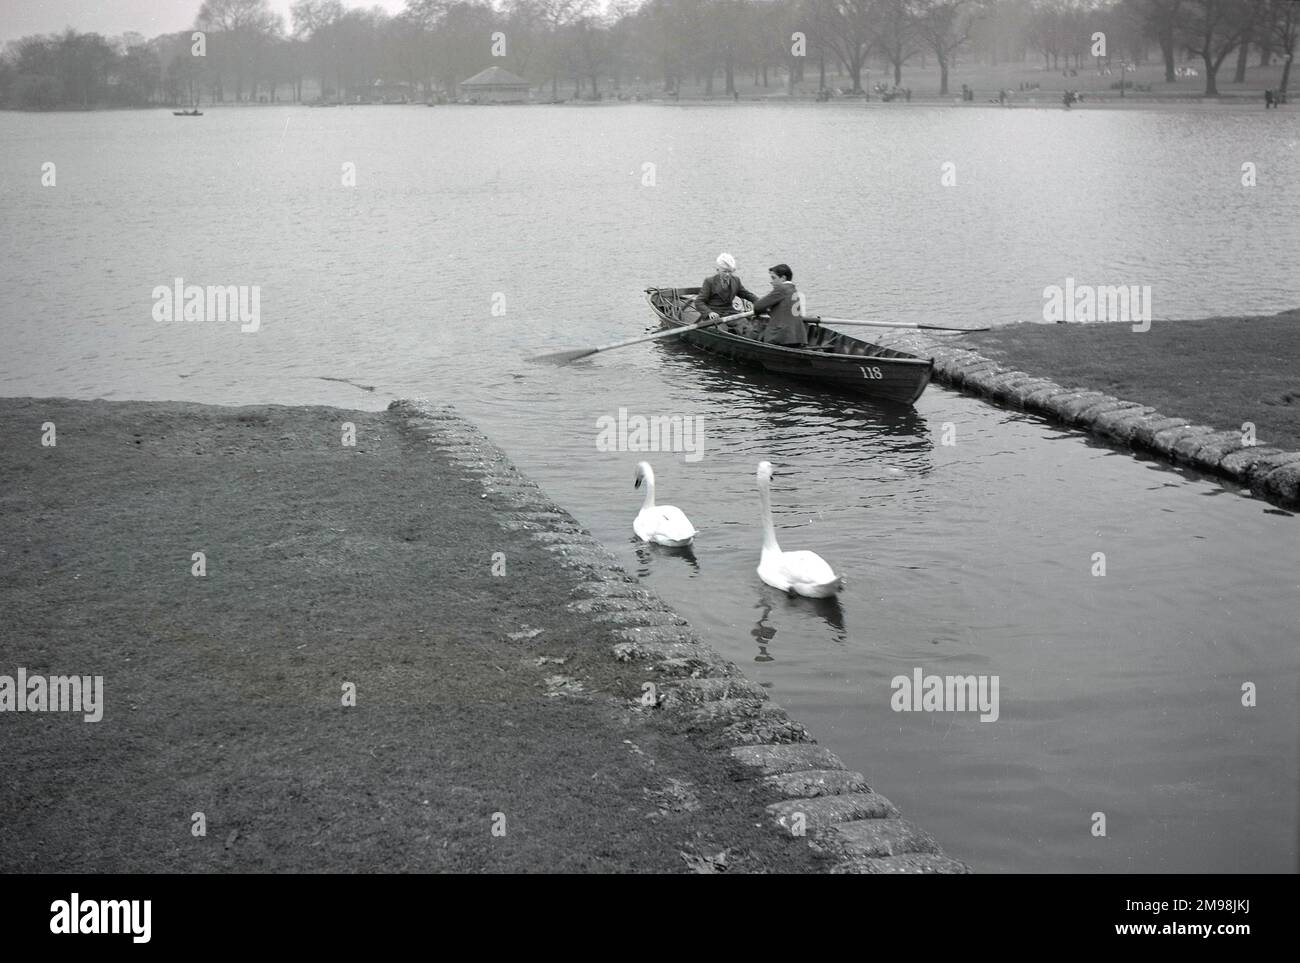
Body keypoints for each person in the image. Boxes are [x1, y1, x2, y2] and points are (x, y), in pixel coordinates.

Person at [689, 253, 760, 329]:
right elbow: (699, 302)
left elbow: (746, 294)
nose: (727, 275)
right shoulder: (709, 281)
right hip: (714, 315)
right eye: (725, 271)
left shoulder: (736, 280)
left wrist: (760, 302)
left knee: (746, 326)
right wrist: (709, 312)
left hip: (731, 313)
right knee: (721, 330)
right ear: (718, 270)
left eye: (730, 271)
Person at [749, 264, 807, 347]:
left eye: (773, 278)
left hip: (781, 338)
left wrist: (766, 309)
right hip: (797, 337)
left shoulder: (781, 289)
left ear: (783, 278)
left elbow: (757, 307)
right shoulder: (794, 290)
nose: (771, 282)